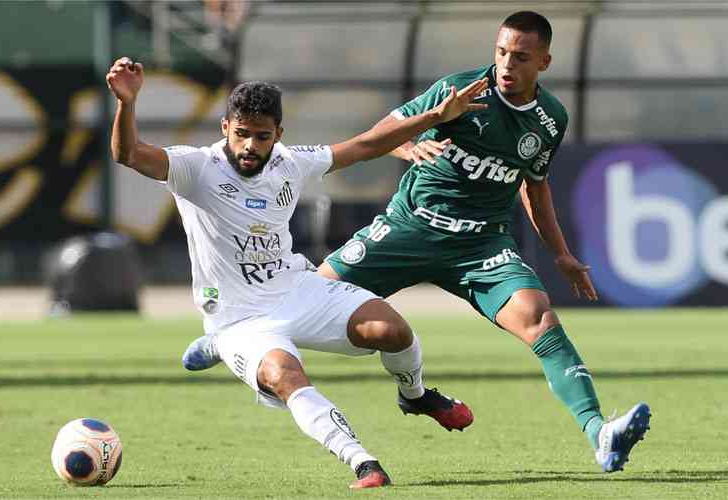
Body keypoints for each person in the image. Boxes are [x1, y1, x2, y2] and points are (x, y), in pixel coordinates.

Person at [106, 56, 486, 489]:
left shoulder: (290, 162)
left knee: (392, 330)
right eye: (242, 133)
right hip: (240, 318)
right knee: (285, 376)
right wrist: (127, 104)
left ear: (278, 135)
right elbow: (128, 154)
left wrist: (436, 117)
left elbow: (363, 146)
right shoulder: (195, 168)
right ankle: (363, 463)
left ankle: (415, 395)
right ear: (225, 127)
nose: (250, 145)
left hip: (296, 290)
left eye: (262, 136)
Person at [318, 11, 651, 473]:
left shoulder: (550, 118)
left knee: (541, 320)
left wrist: (561, 254)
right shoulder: (460, 90)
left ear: (544, 62)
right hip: (410, 227)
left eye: (520, 57)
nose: (506, 65)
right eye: (500, 52)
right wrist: (410, 145)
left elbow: (534, 185)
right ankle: (230, 339)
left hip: (481, 245)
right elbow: (382, 136)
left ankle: (601, 433)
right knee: (312, 297)